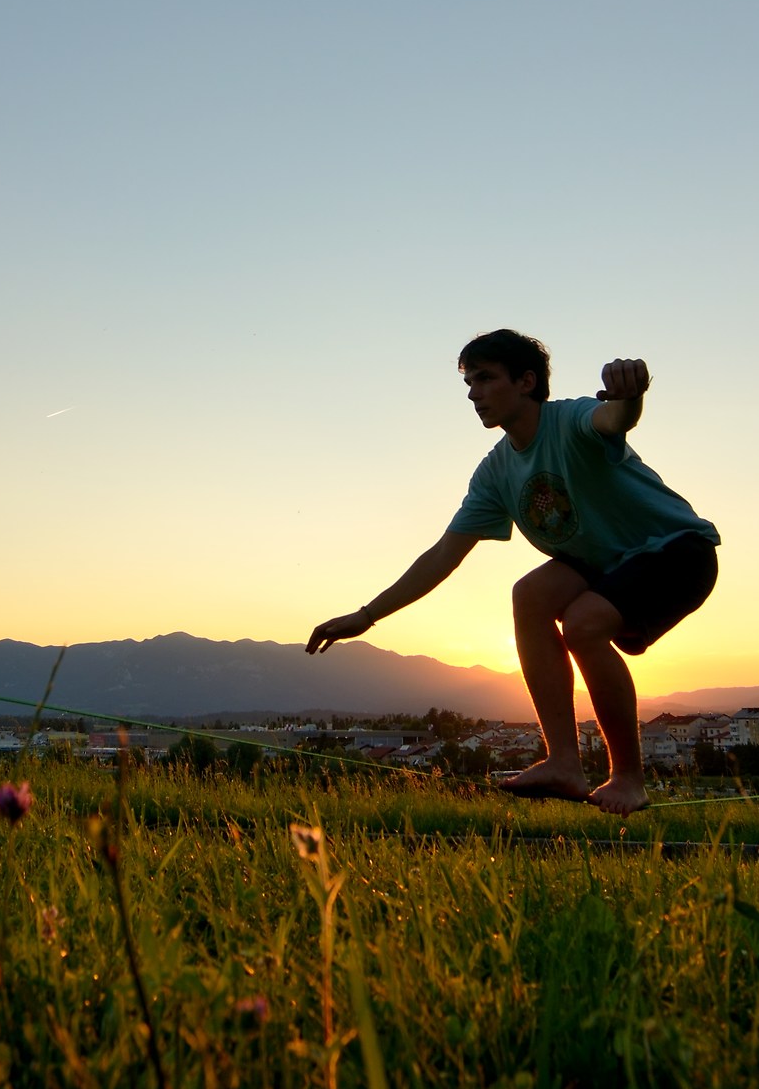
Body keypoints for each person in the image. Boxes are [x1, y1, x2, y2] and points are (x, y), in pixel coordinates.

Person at [306, 329, 719, 815]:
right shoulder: (495, 472)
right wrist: (366, 616)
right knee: (530, 594)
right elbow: (443, 556)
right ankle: (564, 762)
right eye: (468, 383)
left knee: (584, 624)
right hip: (605, 565)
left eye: (484, 378)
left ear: (526, 382)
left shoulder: (570, 419)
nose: (473, 393)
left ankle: (628, 778)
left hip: (678, 552)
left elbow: (613, 418)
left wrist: (632, 396)